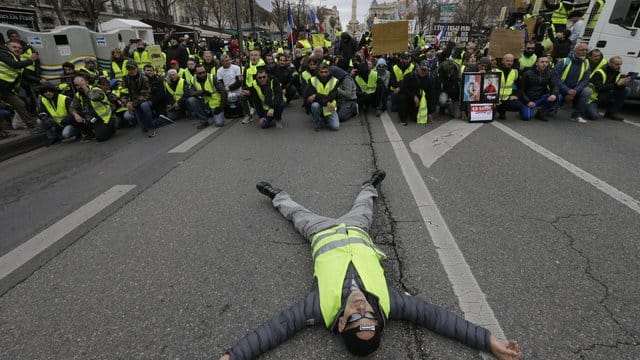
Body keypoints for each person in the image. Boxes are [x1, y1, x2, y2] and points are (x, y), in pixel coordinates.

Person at [217, 170, 522, 360]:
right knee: (365, 205)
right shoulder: (389, 304)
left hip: (321, 232)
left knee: (295, 213)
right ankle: (369, 184)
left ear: (340, 324)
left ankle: (275, 195)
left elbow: (275, 330)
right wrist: (489, 341)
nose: (362, 308)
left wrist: (231, 356)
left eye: (355, 317)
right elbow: (438, 318)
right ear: (378, 319)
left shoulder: (318, 308)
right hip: (356, 230)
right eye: (370, 317)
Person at [0, 40, 38, 130]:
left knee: (20, 104)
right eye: (14, 47)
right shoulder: (3, 52)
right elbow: (14, 65)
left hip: (6, 90)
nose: (17, 49)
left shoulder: (15, 57)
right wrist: (30, 60)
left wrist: (39, 80)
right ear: (7, 46)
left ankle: (31, 125)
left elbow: (22, 73)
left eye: (19, 48)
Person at [553, 42, 591, 123]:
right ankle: (552, 107)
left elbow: (585, 80)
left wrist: (575, 90)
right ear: (574, 51)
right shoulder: (564, 61)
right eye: (582, 50)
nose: (584, 52)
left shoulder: (586, 63)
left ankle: (576, 115)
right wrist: (567, 90)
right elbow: (555, 78)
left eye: (586, 50)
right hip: (561, 88)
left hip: (574, 90)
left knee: (587, 91)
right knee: (551, 112)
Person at [69, 75, 114, 142]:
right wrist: (76, 115)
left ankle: (110, 128)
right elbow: (71, 107)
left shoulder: (96, 90)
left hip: (104, 118)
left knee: (101, 137)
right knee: (72, 116)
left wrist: (85, 88)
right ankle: (90, 134)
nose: (80, 87)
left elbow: (94, 97)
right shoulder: (78, 95)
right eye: (77, 85)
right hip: (91, 118)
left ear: (86, 82)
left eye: (81, 83)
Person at [585, 56, 631, 121]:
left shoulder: (617, 72)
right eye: (617, 64)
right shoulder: (599, 72)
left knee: (626, 90)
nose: (619, 66)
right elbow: (598, 88)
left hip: (605, 95)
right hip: (594, 98)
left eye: (620, 64)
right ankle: (584, 107)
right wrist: (616, 84)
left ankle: (611, 113)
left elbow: (617, 87)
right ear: (610, 63)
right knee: (594, 116)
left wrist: (624, 84)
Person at [121, 61, 158, 137]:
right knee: (143, 129)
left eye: (133, 68)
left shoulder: (144, 78)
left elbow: (146, 94)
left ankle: (151, 127)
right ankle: (143, 125)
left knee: (144, 106)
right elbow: (123, 92)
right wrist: (127, 102)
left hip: (146, 100)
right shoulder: (125, 79)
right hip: (134, 102)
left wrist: (133, 103)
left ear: (137, 68)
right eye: (129, 69)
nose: (132, 70)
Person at [398, 60, 439, 126]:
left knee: (416, 119)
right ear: (417, 67)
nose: (423, 71)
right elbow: (403, 88)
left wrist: (430, 112)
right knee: (402, 97)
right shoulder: (409, 76)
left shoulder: (431, 79)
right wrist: (413, 96)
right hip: (409, 97)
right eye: (422, 69)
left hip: (420, 100)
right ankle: (403, 118)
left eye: (425, 70)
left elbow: (432, 96)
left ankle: (411, 111)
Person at [519, 55, 559, 121]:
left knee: (556, 96)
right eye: (542, 62)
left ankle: (541, 112)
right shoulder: (527, 74)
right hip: (528, 99)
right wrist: (527, 101)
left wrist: (554, 94)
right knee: (526, 117)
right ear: (537, 63)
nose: (544, 64)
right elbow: (521, 90)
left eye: (546, 62)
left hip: (540, 98)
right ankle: (524, 109)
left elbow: (555, 86)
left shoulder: (550, 73)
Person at [304, 63, 340, 131]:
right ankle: (318, 122)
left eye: (326, 72)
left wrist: (316, 95)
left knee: (335, 127)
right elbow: (309, 97)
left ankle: (325, 118)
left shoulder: (335, 81)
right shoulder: (312, 80)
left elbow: (331, 97)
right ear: (318, 72)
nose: (324, 74)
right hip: (321, 105)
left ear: (329, 72)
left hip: (330, 108)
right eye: (321, 72)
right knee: (314, 105)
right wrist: (326, 102)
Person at [189, 63, 225, 129]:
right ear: (195, 73)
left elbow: (223, 92)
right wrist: (201, 92)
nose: (202, 74)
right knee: (191, 100)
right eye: (200, 73)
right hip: (204, 103)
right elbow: (190, 92)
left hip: (215, 104)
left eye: (204, 72)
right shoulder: (193, 80)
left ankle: (217, 113)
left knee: (219, 123)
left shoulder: (212, 77)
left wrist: (221, 107)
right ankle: (204, 121)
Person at [495, 54, 522, 120]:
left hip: (507, 98)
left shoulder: (514, 72)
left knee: (518, 105)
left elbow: (520, 86)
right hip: (495, 99)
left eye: (511, 61)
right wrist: (494, 98)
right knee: (490, 115)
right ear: (503, 61)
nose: (510, 63)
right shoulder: (495, 71)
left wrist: (516, 95)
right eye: (508, 61)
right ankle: (496, 110)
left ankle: (502, 112)